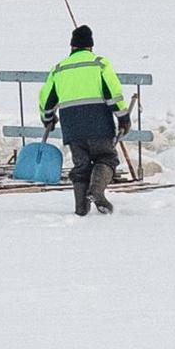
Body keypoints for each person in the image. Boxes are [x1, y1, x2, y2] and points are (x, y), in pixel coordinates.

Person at [40, 24, 129, 217]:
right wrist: (123, 118)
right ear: (91, 46)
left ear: (72, 46)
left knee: (81, 165)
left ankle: (81, 208)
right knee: (106, 157)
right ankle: (96, 192)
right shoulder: (100, 63)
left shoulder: (59, 69)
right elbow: (113, 93)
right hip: (98, 122)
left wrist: (48, 119)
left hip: (72, 126)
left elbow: (46, 100)